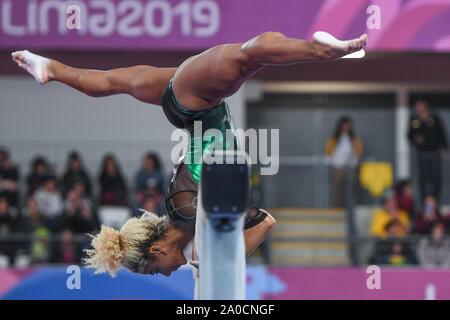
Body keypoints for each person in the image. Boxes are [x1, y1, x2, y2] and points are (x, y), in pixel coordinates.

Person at [12, 31, 367, 276]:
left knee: (247, 57)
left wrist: (216, 257)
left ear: (156, 251)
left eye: (156, 272)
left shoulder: (183, 210)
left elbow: (259, 220)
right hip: (183, 106)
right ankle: (52, 69)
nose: (166, 276)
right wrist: (215, 258)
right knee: (112, 81)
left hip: (196, 106)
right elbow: (260, 221)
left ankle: (320, 49)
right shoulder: (187, 219)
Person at [408, 99, 449, 202]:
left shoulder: (434, 118)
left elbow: (441, 133)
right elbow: (409, 135)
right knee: (423, 178)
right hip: (422, 153)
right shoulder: (414, 120)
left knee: (436, 178)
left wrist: (445, 148)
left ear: (425, 106)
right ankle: (424, 203)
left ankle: (435, 202)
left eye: (420, 106)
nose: (418, 108)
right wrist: (415, 139)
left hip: (434, 151)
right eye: (416, 106)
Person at [325, 116, 362, 207]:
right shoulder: (335, 138)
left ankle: (351, 207)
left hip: (350, 166)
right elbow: (329, 150)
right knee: (336, 189)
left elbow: (358, 151)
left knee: (351, 189)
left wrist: (354, 159)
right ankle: (335, 208)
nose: (346, 127)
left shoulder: (353, 139)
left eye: (348, 125)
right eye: (344, 125)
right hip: (338, 166)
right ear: (341, 125)